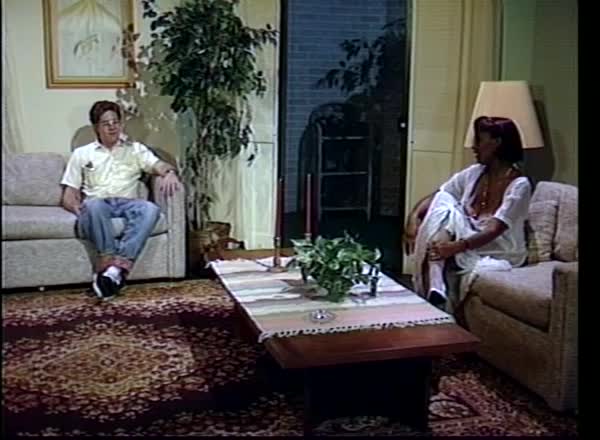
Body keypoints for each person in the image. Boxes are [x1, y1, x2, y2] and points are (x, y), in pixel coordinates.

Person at [403, 116, 532, 311]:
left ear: (497, 143)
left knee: (447, 214)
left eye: (479, 140)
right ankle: (436, 285)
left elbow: (494, 230)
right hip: (467, 234)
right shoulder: (475, 172)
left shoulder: (520, 185)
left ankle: (435, 283)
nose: (474, 147)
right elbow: (439, 195)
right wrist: (413, 219)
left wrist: (457, 247)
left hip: (498, 247)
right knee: (444, 202)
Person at [61, 100, 182, 300]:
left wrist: (169, 173)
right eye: (106, 124)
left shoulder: (135, 149)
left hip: (128, 203)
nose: (112, 127)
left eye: (116, 122)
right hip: (98, 204)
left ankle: (114, 269)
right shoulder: (82, 154)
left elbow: (158, 165)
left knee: (150, 209)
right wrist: (77, 209)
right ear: (96, 127)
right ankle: (108, 263)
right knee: (94, 205)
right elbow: (69, 193)